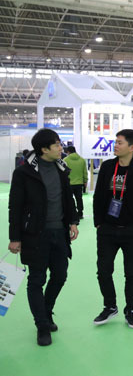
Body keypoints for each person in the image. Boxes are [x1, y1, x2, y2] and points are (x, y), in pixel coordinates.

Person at [7, 128, 79, 346]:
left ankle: (46, 312)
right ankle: (42, 325)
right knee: (37, 279)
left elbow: (68, 198)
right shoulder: (24, 173)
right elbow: (15, 206)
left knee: (60, 275)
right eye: (56, 144)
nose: (60, 148)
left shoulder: (61, 168)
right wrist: (15, 237)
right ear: (44, 149)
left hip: (59, 232)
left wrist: (73, 221)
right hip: (35, 235)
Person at [93, 129, 133, 329]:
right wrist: (98, 223)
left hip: (132, 230)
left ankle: (131, 309)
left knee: (131, 272)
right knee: (103, 271)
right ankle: (110, 306)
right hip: (107, 229)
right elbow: (98, 196)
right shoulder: (107, 167)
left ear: (131, 147)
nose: (115, 145)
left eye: (120, 142)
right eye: (116, 141)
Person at [64, 146, 88, 219]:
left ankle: (72, 214)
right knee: (79, 199)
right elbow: (85, 172)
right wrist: (85, 181)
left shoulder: (65, 160)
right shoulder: (82, 160)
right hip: (79, 183)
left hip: (69, 183)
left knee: (70, 199)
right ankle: (80, 213)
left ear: (68, 152)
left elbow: (63, 172)